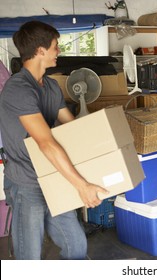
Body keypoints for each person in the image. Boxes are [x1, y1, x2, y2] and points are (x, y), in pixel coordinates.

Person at [0, 21, 108, 260]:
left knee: (76, 245)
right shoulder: (18, 89)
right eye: (55, 46)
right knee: (30, 255)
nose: (58, 51)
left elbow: (71, 126)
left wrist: (105, 148)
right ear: (40, 50)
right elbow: (46, 142)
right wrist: (82, 186)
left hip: (55, 176)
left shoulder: (50, 86)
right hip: (27, 182)